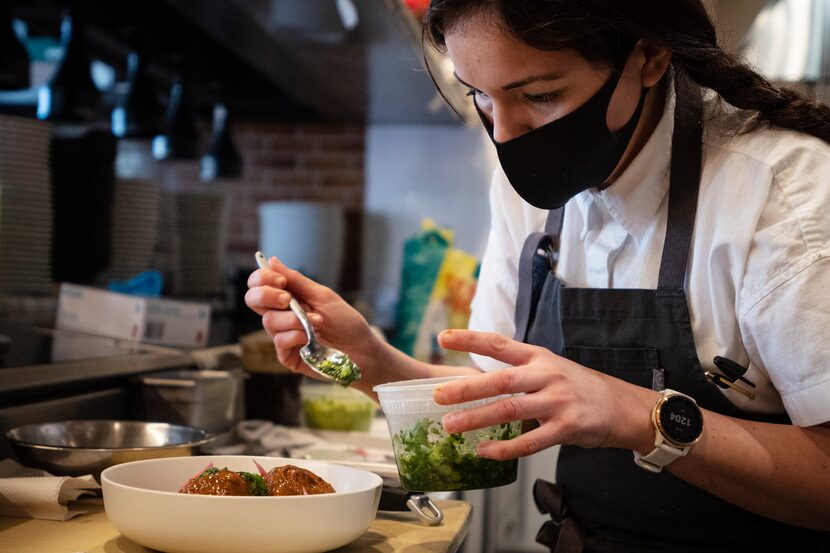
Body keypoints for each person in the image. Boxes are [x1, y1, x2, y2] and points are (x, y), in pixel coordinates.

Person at [247, 1, 830, 550]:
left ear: (648, 57)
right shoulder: (532, 190)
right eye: (479, 95)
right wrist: (371, 362)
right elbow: (513, 405)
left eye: (541, 95)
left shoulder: (784, 193)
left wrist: (636, 416)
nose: (504, 134)